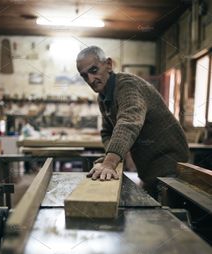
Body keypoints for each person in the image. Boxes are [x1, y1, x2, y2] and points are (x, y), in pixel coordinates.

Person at [76, 46, 189, 197]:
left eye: (94, 70)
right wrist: (114, 157)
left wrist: (109, 163)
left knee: (167, 214)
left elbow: (129, 123)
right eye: (84, 76)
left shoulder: (128, 85)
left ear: (108, 64)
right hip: (147, 167)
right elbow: (107, 131)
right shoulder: (103, 97)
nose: (90, 80)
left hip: (169, 163)